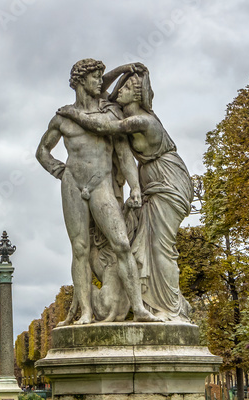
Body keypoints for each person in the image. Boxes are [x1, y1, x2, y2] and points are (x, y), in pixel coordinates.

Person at [56, 64, 192, 321]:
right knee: (148, 245)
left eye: (127, 87)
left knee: (160, 246)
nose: (119, 89)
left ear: (138, 96)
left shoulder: (140, 120)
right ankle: (155, 305)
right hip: (149, 179)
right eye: (122, 84)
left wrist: (71, 114)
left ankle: (170, 307)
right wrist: (123, 69)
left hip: (167, 179)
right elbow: (96, 92)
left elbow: (103, 128)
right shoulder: (115, 109)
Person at [36, 58, 160, 324]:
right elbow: (42, 151)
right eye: (95, 77)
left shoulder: (110, 114)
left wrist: (135, 188)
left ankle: (138, 308)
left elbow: (124, 154)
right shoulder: (61, 118)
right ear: (81, 81)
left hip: (101, 182)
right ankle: (86, 312)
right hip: (72, 184)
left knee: (121, 244)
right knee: (79, 249)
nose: (99, 82)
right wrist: (59, 171)